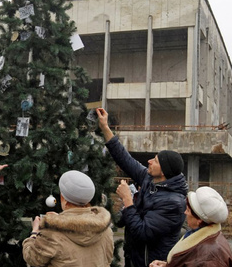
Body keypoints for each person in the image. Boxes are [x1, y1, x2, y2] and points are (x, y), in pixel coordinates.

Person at [96, 108, 188, 267]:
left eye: (156, 161)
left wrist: (127, 200)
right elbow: (124, 159)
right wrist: (105, 127)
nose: (150, 161)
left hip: (151, 264)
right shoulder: (149, 179)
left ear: (164, 172)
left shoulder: (173, 203)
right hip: (134, 259)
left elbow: (142, 232)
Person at [22, 170, 114, 267]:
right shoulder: (105, 229)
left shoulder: (52, 233)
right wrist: (59, 219)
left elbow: (33, 259)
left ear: (63, 199)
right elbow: (108, 260)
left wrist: (34, 233)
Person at [150, 186, 232, 267]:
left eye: (188, 210)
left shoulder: (209, 258)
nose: (185, 212)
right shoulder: (202, 235)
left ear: (199, 219)